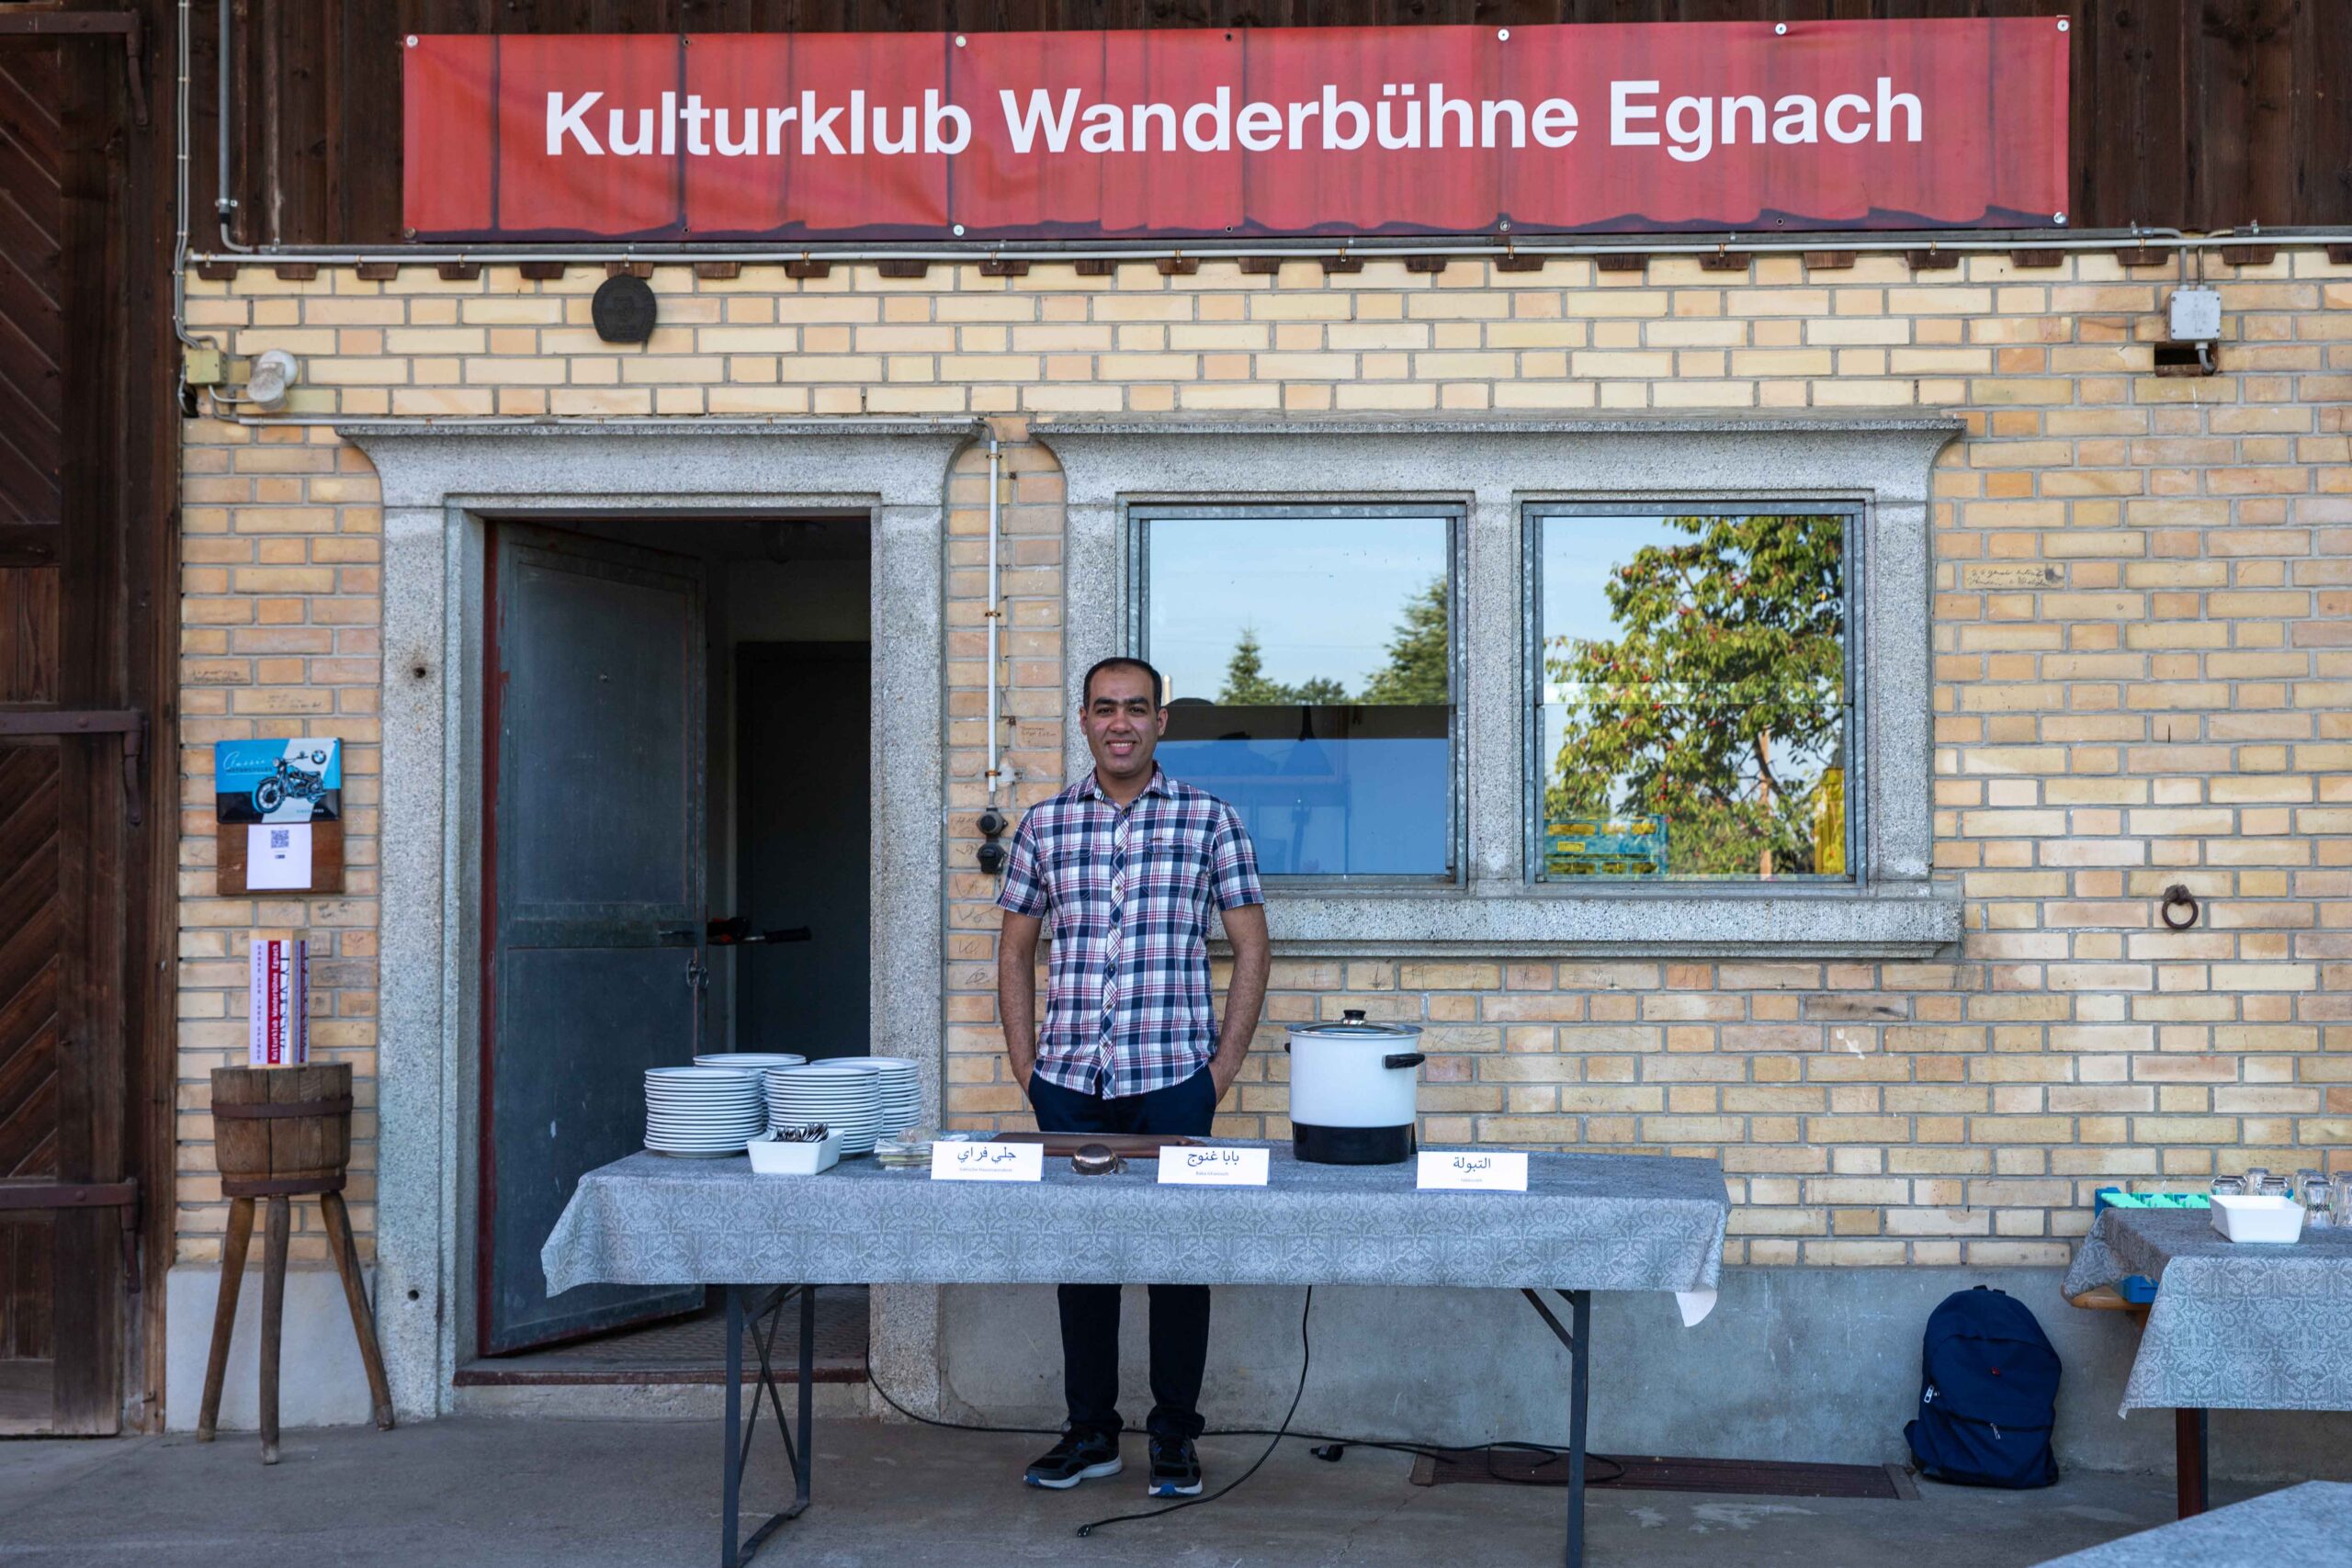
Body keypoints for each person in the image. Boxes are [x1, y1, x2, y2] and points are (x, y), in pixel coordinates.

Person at [995, 656, 1272, 1499]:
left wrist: (1219, 1069)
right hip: (1070, 1081)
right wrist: (1028, 1067)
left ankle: (1175, 1436)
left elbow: (1252, 945)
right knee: (1083, 1261)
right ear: (1084, 719)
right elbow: (1014, 950)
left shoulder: (1210, 820)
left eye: (1138, 708)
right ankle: (1090, 1434)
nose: (1122, 722)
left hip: (1174, 1080)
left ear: (1161, 722)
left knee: (1179, 1261)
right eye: (1106, 707)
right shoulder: (1044, 825)